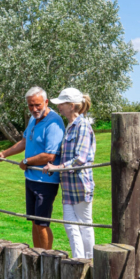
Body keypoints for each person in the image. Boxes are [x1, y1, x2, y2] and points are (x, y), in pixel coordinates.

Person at [0, 87, 64, 249]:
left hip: (45, 181)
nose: (34, 109)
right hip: (31, 179)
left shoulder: (54, 122)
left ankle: (47, 260)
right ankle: (36, 255)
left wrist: (27, 161)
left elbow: (50, 156)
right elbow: (24, 141)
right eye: (30, 105)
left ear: (46, 102)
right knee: (34, 221)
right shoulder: (33, 119)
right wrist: (4, 153)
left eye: (37, 105)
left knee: (42, 223)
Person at [43, 87, 96, 259]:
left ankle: (89, 261)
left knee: (84, 225)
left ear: (72, 106)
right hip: (68, 186)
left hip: (80, 185)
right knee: (70, 225)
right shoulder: (70, 127)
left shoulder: (82, 126)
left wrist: (56, 168)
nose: (59, 107)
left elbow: (80, 159)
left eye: (62, 104)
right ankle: (78, 259)